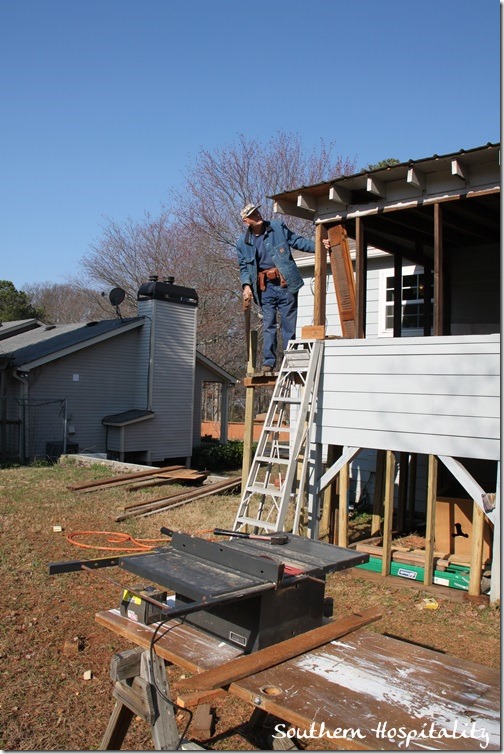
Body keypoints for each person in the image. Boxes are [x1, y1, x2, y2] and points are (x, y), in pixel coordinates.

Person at [236, 203, 330, 373]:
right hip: (264, 288)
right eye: (252, 215)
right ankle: (268, 362)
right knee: (269, 324)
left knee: (288, 325)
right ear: (246, 221)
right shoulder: (243, 243)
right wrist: (246, 286)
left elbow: (297, 241)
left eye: (257, 211)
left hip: (286, 283)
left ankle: (289, 360)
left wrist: (319, 245)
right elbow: (244, 267)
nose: (257, 215)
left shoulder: (277, 227)